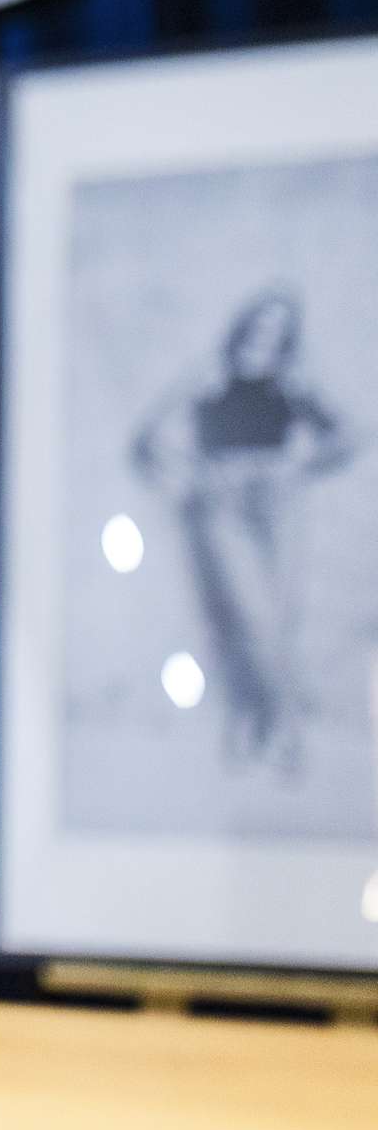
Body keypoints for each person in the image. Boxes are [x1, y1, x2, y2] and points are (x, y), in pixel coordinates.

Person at [130, 286, 358, 773]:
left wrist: (298, 466)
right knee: (250, 618)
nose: (266, 337)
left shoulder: (293, 383)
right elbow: (148, 439)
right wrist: (193, 471)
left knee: (282, 620)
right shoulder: (210, 374)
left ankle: (255, 724)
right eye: (260, 324)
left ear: (286, 337)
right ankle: (285, 727)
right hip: (223, 506)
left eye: (278, 329)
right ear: (245, 324)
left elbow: (349, 435)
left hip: (280, 506)